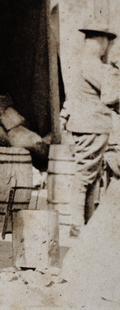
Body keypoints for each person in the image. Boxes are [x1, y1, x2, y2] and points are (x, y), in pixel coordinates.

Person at [65, 23, 119, 237]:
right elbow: (111, 94)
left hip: (89, 124)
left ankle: (84, 224)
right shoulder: (92, 64)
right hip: (91, 125)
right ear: (100, 42)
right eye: (106, 41)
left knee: (91, 176)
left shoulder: (86, 63)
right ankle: (78, 224)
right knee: (85, 175)